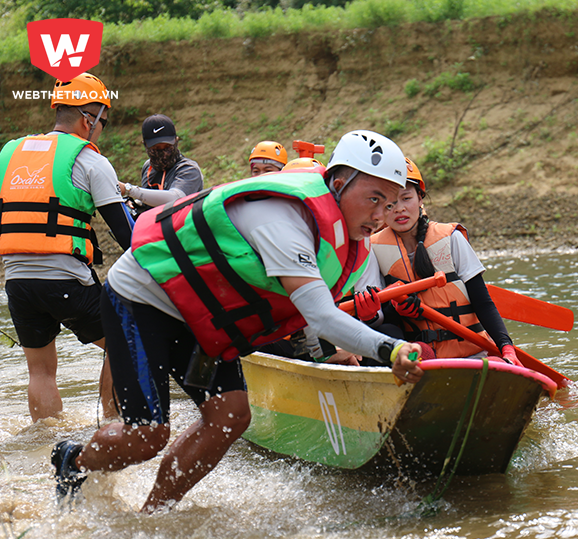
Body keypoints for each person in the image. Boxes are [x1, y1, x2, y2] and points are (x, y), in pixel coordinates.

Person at [51, 130, 424, 512]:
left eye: (390, 202)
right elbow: (320, 314)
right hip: (143, 294)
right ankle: (73, 461)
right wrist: (391, 348)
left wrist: (325, 355)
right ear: (340, 184)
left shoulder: (348, 241)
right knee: (147, 434)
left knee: (230, 415)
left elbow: (303, 312)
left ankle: (153, 516)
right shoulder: (283, 219)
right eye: (374, 199)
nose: (381, 216)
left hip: (202, 315)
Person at [0, 72, 133, 422]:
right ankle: (113, 430)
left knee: (40, 372)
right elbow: (127, 235)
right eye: (102, 121)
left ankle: (44, 443)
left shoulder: (9, 154)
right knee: (125, 344)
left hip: (16, 282)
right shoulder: (90, 161)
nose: (101, 128)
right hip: (65, 280)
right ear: (88, 118)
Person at [353, 157, 518, 363]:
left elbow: (482, 302)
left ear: (420, 198)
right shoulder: (372, 248)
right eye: (389, 203)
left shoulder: (451, 238)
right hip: (416, 356)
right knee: (384, 332)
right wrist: (375, 314)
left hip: (472, 353)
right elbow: (380, 321)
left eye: (406, 198)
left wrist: (506, 347)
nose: (399, 209)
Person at [120, 114, 203, 218]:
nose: (164, 153)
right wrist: (133, 203)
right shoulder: (148, 167)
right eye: (156, 148)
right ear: (145, 145)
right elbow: (149, 202)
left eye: (168, 146)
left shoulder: (189, 169)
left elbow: (175, 199)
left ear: (176, 141)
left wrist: (129, 190)